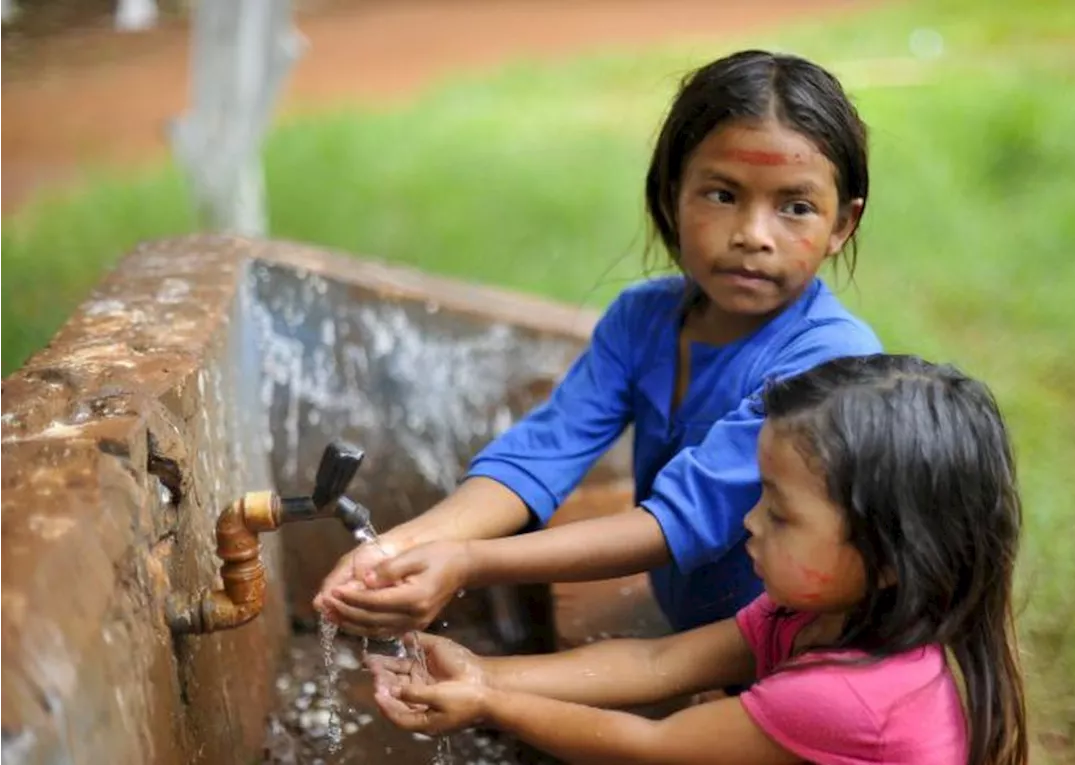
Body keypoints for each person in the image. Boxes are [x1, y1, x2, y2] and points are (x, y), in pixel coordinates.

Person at [315, 49, 881, 641]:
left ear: (842, 224)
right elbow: (544, 451)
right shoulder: (643, 320)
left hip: (790, 652)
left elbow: (682, 522)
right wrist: (403, 544)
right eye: (722, 195)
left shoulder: (829, 363)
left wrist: (469, 561)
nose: (752, 236)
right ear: (670, 196)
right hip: (695, 628)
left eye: (795, 207)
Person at [368, 354, 1029, 765]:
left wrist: (489, 702)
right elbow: (659, 661)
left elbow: (646, 746)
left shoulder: (850, 695)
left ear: (890, 555)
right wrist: (486, 672)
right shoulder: (820, 613)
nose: (749, 521)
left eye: (780, 511)